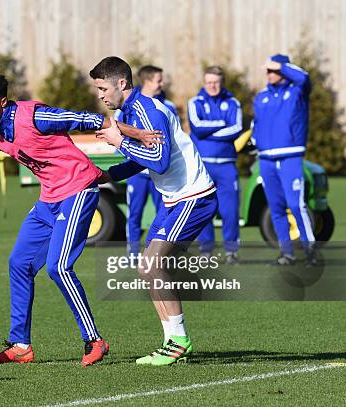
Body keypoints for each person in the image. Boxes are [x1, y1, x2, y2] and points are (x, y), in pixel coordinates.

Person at [0, 72, 161, 366]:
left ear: (2, 101)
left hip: (78, 189)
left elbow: (89, 119)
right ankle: (20, 346)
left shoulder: (35, 116)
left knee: (58, 267)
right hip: (48, 200)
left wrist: (137, 134)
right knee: (20, 263)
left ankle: (94, 340)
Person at [90, 56, 218, 366]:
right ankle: (172, 342)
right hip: (175, 199)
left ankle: (179, 341)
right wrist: (107, 176)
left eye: (103, 88)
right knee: (148, 267)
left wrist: (120, 141)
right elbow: (142, 159)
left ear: (122, 83)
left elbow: (158, 160)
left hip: (194, 196)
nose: (101, 95)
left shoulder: (147, 110)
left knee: (153, 264)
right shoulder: (134, 110)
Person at [252, 54, 315, 265]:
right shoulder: (261, 97)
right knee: (276, 207)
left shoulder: (297, 91)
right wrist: (255, 140)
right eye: (267, 71)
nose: (269, 74)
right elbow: (258, 124)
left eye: (273, 70)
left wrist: (281, 66)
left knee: (296, 206)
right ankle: (286, 253)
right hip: (266, 160)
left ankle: (310, 252)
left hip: (290, 157)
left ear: (283, 69)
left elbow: (304, 78)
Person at [187, 66, 242, 264]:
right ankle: (206, 250)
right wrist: (221, 124)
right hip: (203, 165)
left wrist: (210, 133)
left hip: (227, 166)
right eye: (209, 82)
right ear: (204, 82)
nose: (212, 86)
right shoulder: (195, 102)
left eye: (216, 82)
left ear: (222, 82)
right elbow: (196, 127)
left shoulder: (233, 102)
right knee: (204, 210)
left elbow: (236, 128)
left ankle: (231, 252)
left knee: (230, 210)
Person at [123, 65, 178, 255]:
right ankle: (132, 253)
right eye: (158, 80)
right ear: (147, 82)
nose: (162, 84)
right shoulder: (126, 109)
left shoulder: (167, 106)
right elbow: (120, 137)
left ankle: (159, 253)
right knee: (134, 214)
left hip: (159, 172)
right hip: (136, 173)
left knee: (163, 214)